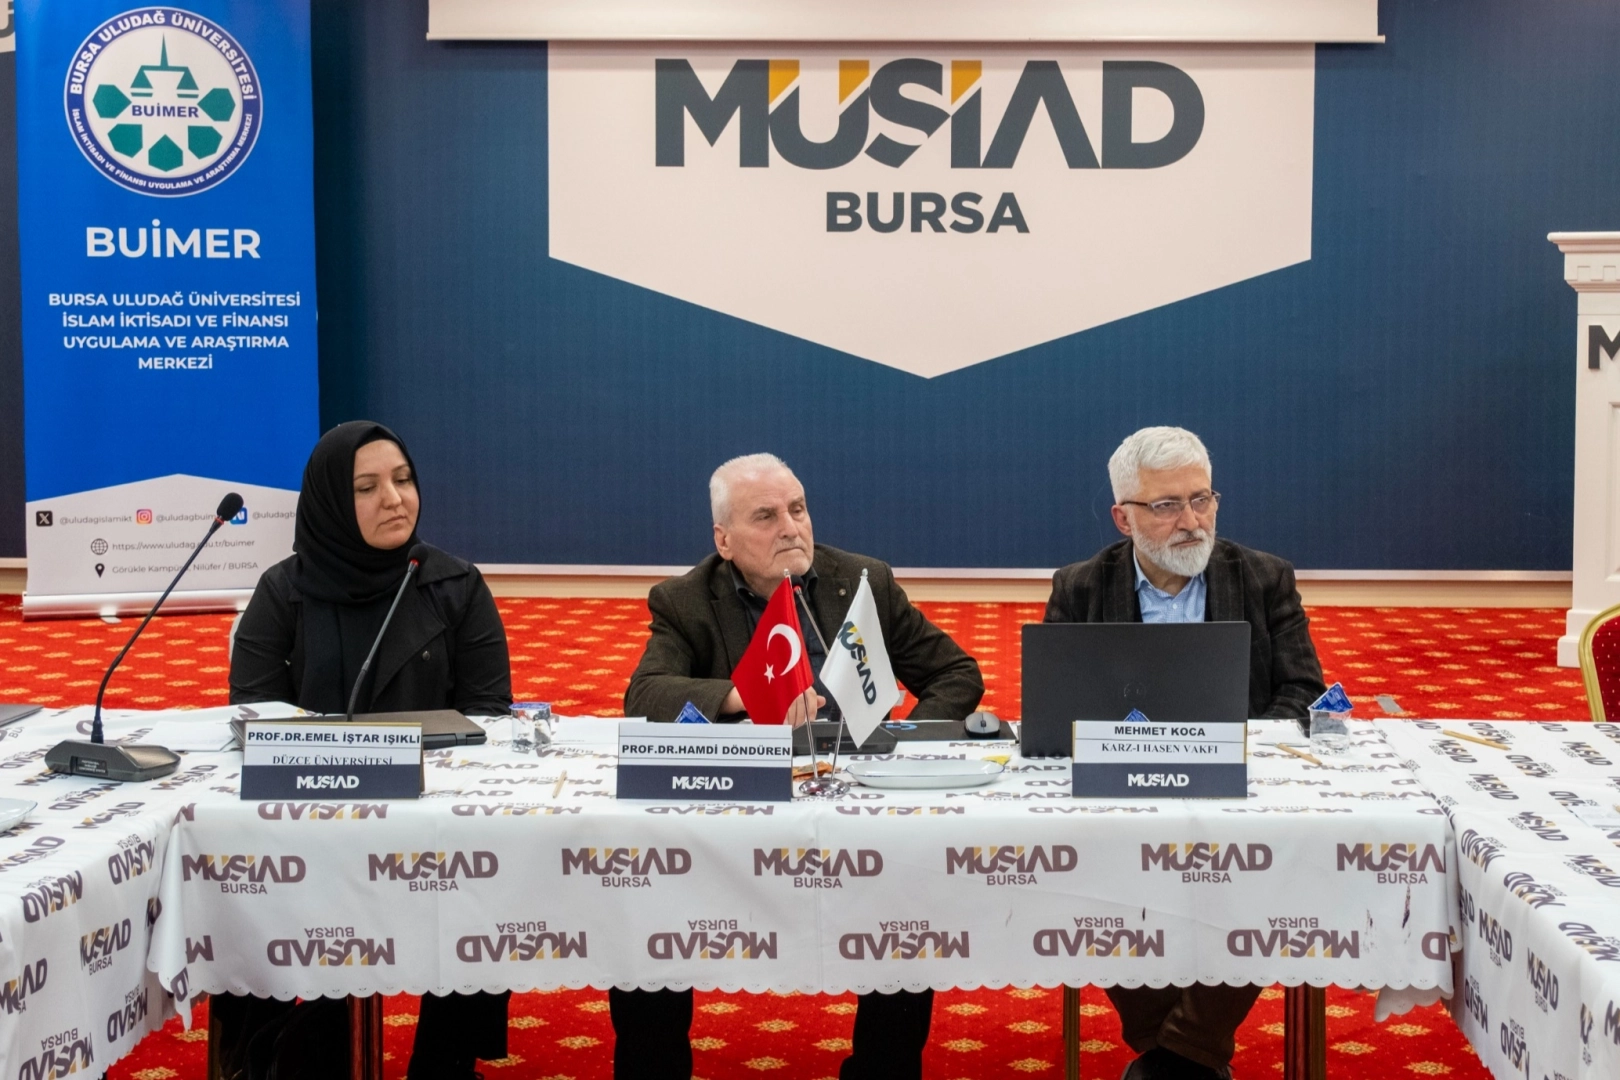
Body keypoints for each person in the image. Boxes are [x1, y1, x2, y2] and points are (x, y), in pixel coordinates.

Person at [621, 452, 985, 1080]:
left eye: (798, 509)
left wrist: (895, 739)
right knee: (646, 889)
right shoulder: (686, 599)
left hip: (858, 797)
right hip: (741, 804)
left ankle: (883, 1069)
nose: (791, 528)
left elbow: (956, 673)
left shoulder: (863, 581)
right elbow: (646, 695)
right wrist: (747, 697)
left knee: (908, 902)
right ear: (724, 540)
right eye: (766, 516)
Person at [227, 420, 513, 1080]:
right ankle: (281, 1050)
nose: (394, 499)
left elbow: (490, 720)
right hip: (311, 825)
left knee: (489, 862)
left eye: (403, 480)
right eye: (367, 487)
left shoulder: (454, 585)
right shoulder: (282, 592)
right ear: (330, 500)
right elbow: (253, 722)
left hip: (434, 820)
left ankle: (443, 1063)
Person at [1045, 426, 1326, 1080]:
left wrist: (1231, 754)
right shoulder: (1080, 587)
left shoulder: (1263, 578)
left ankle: (1174, 1058)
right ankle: (1186, 1054)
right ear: (1123, 518)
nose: (1192, 521)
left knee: (1275, 865)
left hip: (1238, 793)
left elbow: (1302, 694)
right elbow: (1060, 715)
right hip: (1123, 799)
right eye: (1166, 505)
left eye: (1202, 499)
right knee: (1083, 862)